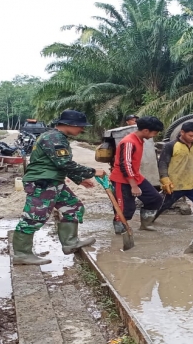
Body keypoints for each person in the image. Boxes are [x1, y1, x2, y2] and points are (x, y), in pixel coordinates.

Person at [12, 109, 107, 265]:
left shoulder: (58, 137)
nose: (82, 129)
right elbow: (64, 163)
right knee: (34, 218)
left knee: (74, 207)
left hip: (54, 182)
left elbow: (59, 165)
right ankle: (21, 254)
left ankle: (70, 243)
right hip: (43, 182)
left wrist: (79, 179)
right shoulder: (54, 138)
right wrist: (92, 172)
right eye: (80, 126)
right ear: (70, 124)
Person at [110, 116, 165, 233]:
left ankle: (146, 224)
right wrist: (133, 185)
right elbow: (125, 165)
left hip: (136, 176)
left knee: (155, 199)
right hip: (122, 179)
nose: (154, 135)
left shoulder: (139, 140)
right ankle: (121, 231)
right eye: (154, 132)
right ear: (146, 130)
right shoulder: (129, 142)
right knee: (124, 208)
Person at [154, 121, 193, 227]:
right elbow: (162, 164)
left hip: (192, 182)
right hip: (174, 184)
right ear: (182, 132)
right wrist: (165, 179)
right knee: (161, 205)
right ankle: (147, 223)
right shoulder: (170, 146)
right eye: (191, 135)